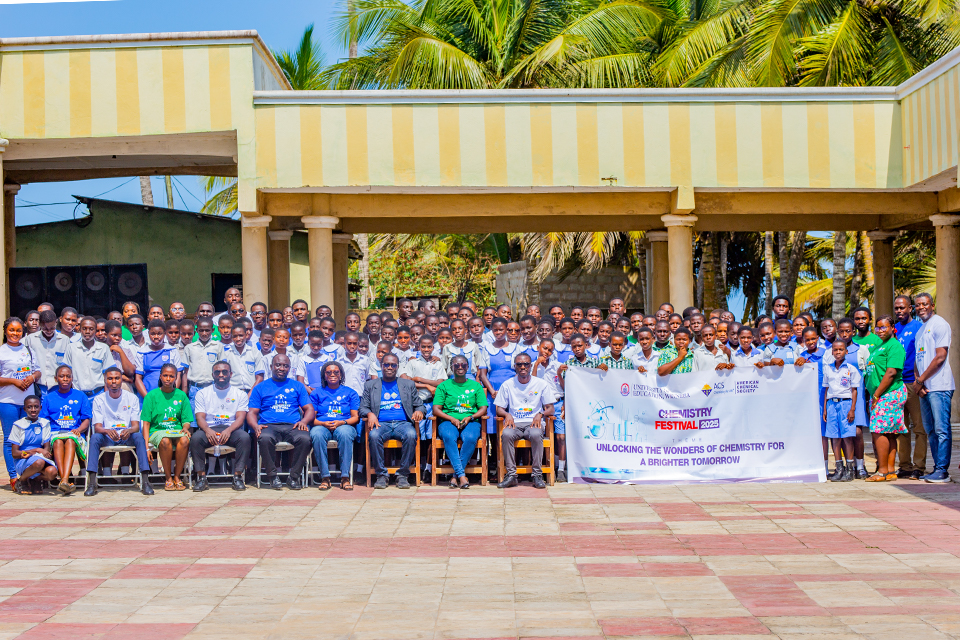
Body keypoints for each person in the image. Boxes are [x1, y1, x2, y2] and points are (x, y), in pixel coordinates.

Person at [247, 354, 315, 490]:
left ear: (289, 368)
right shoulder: (261, 387)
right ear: (271, 367)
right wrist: (255, 426)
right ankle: (272, 476)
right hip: (269, 425)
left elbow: (309, 409)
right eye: (278, 365)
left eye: (285, 366)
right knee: (264, 438)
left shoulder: (297, 386)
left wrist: (304, 421)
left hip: (292, 425)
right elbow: (252, 413)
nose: (281, 368)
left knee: (305, 439)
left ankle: (294, 477)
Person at [85, 367, 154, 496]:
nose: (113, 381)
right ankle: (92, 483)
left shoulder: (131, 398)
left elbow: (135, 426)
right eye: (110, 378)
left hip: (126, 436)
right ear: (105, 380)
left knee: (139, 437)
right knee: (94, 438)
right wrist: (107, 431)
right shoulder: (99, 399)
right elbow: (97, 427)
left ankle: (145, 481)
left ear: (121, 380)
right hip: (108, 436)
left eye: (117, 378)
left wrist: (129, 430)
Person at [362, 353, 425, 490]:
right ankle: (381, 475)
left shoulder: (407, 384)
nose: (389, 367)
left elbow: (420, 405)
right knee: (373, 436)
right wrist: (370, 414)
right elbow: (363, 407)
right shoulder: (371, 385)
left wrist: (419, 411)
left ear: (397, 367)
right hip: (381, 424)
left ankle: (402, 475)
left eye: (393, 365)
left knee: (411, 435)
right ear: (381, 366)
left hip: (403, 423)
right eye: (386, 364)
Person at [496, 352, 556, 489]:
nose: (523, 367)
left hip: (533, 422)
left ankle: (537, 475)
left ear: (531, 366)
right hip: (515, 423)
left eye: (526, 364)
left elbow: (551, 409)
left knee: (536, 434)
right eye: (519, 364)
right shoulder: (508, 384)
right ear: (515, 366)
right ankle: (511, 475)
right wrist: (506, 414)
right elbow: (499, 408)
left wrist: (541, 413)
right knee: (506, 434)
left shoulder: (541, 384)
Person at [190, 360, 251, 492]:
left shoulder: (240, 394)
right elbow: (200, 417)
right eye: (217, 372)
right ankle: (201, 478)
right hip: (209, 428)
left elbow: (241, 418)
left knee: (245, 438)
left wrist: (229, 430)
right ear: (213, 374)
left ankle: (238, 477)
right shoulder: (203, 393)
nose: (221, 375)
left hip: (231, 429)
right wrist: (207, 430)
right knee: (196, 438)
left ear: (231, 374)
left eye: (224, 372)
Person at [913, 293, 954, 483]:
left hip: (939, 386)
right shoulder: (921, 329)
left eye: (924, 304)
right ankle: (937, 468)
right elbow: (918, 359)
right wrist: (918, 381)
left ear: (932, 305)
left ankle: (942, 470)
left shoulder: (940, 324)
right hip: (925, 388)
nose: (921, 307)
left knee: (941, 429)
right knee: (930, 430)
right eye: (918, 305)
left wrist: (920, 380)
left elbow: (940, 357)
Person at [433, 355, 488, 489]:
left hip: (470, 420)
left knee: (470, 437)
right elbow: (436, 409)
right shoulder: (444, 386)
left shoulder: (476, 386)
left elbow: (483, 408)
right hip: (448, 421)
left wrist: (470, 417)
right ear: (451, 367)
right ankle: (462, 476)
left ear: (468, 367)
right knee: (449, 436)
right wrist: (451, 418)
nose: (460, 367)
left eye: (463, 365)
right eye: (456, 365)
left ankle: (455, 476)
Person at [864, 315, 908, 482]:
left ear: (892, 328)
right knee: (889, 432)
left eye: (884, 327)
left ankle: (881, 471)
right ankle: (889, 470)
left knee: (878, 430)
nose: (880, 330)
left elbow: (891, 372)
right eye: (878, 327)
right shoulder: (880, 345)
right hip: (881, 394)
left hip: (888, 393)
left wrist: (877, 394)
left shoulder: (894, 346)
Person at [0, 317, 40, 489]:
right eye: (11, 330)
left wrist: (32, 377)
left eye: (18, 330)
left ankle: (28, 475)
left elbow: (38, 371)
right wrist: (13, 381)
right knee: (10, 440)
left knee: (28, 439)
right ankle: (13, 477)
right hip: (7, 401)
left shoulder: (28, 349)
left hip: (27, 403)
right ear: (5, 331)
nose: (15, 333)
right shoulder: (2, 351)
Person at [141, 363, 194, 491]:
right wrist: (146, 447)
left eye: (171, 376)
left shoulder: (181, 395)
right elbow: (146, 423)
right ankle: (168, 477)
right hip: (157, 431)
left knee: (184, 440)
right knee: (165, 440)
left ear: (176, 378)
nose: (168, 379)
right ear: (160, 376)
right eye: (165, 375)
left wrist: (185, 428)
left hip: (176, 430)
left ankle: (177, 477)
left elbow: (186, 420)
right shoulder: (151, 396)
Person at [40, 365, 91, 494]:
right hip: (55, 433)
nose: (65, 379)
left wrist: (79, 429)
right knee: (58, 441)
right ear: (56, 378)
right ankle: (65, 480)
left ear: (72, 378)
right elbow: (44, 421)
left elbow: (86, 419)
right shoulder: (49, 398)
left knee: (70, 440)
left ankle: (63, 480)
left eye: (68, 376)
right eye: (62, 376)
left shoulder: (80, 396)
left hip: (74, 432)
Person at [309, 362, 360, 491]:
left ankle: (345, 477)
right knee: (316, 434)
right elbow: (311, 418)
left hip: (344, 424)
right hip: (322, 425)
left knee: (345, 434)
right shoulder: (316, 393)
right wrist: (323, 423)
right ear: (324, 375)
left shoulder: (350, 393)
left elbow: (355, 417)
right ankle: (325, 477)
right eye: (329, 372)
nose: (332, 374)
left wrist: (342, 422)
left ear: (341, 375)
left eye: (336, 372)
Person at [893, 295, 926, 479]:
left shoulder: (919, 328)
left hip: (913, 383)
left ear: (910, 308)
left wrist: (920, 380)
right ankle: (905, 465)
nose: (899, 311)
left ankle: (919, 466)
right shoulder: (893, 329)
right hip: (897, 383)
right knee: (901, 428)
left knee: (919, 427)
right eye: (896, 308)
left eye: (902, 308)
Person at [822, 341, 860, 482]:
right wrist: (825, 409)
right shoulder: (828, 369)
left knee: (847, 437)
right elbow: (826, 389)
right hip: (832, 403)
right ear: (832, 352)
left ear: (846, 351)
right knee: (834, 437)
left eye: (841, 349)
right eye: (835, 350)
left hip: (845, 403)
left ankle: (850, 469)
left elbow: (854, 390)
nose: (838, 352)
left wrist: (852, 409)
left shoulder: (851, 369)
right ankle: (839, 469)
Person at [9, 396, 57, 494]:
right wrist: (36, 450)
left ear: (40, 407)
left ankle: (35, 479)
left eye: (36, 406)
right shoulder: (18, 425)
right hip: (23, 460)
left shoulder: (45, 423)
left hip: (40, 458)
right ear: (24, 409)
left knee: (52, 472)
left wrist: (39, 452)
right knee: (39, 462)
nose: (33, 410)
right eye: (29, 407)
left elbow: (46, 449)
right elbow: (15, 453)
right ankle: (22, 480)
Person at [24, 310, 69, 398]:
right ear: (40, 324)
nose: (49, 331)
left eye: (52, 328)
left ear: (56, 323)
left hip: (57, 386)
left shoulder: (64, 340)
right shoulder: (30, 339)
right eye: (45, 328)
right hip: (38, 386)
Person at [63, 316, 112, 397]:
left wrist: (105, 396)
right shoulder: (71, 348)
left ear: (95, 330)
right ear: (80, 330)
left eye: (91, 329)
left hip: (98, 394)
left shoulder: (103, 348)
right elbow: (67, 372)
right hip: (77, 394)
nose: (87, 332)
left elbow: (108, 374)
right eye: (84, 328)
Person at [134, 320, 184, 397]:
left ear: (165, 333)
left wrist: (171, 394)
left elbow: (178, 376)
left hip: (168, 395)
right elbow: (138, 379)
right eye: (152, 334)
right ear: (148, 334)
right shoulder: (142, 353)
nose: (156, 337)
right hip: (147, 393)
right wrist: (147, 398)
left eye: (159, 334)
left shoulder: (172, 351)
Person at [181, 318, 225, 405]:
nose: (204, 333)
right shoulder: (189, 348)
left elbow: (222, 369)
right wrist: (184, 392)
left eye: (207, 330)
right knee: (195, 412)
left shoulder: (218, 346)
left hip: (213, 387)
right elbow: (185, 372)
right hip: (195, 388)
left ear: (212, 330)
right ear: (197, 330)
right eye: (201, 330)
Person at [224, 325, 265, 393]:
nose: (238, 339)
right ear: (231, 337)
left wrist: (251, 393)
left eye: (241, 335)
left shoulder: (255, 353)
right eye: (235, 336)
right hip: (233, 392)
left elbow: (260, 377)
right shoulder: (226, 354)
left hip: (252, 391)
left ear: (246, 335)